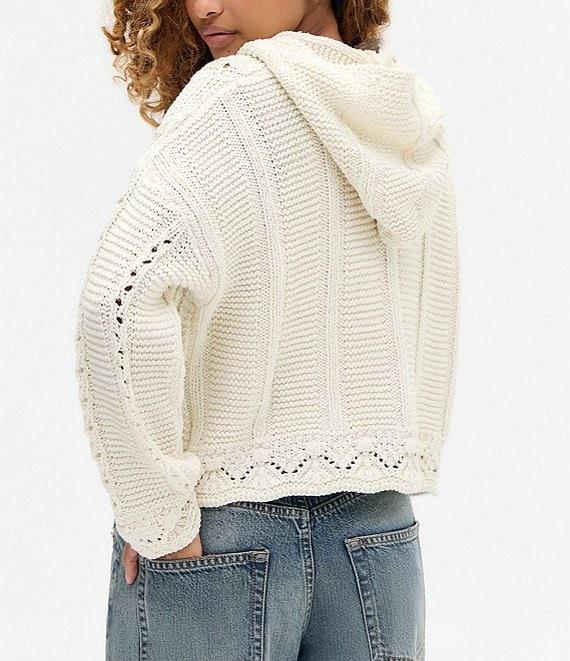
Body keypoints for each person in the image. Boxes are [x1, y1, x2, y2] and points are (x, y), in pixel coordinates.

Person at [74, 1, 459, 659]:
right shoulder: (406, 117)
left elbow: (117, 297)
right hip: (380, 534)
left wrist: (155, 510)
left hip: (224, 534)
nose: (205, 6)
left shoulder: (233, 99)